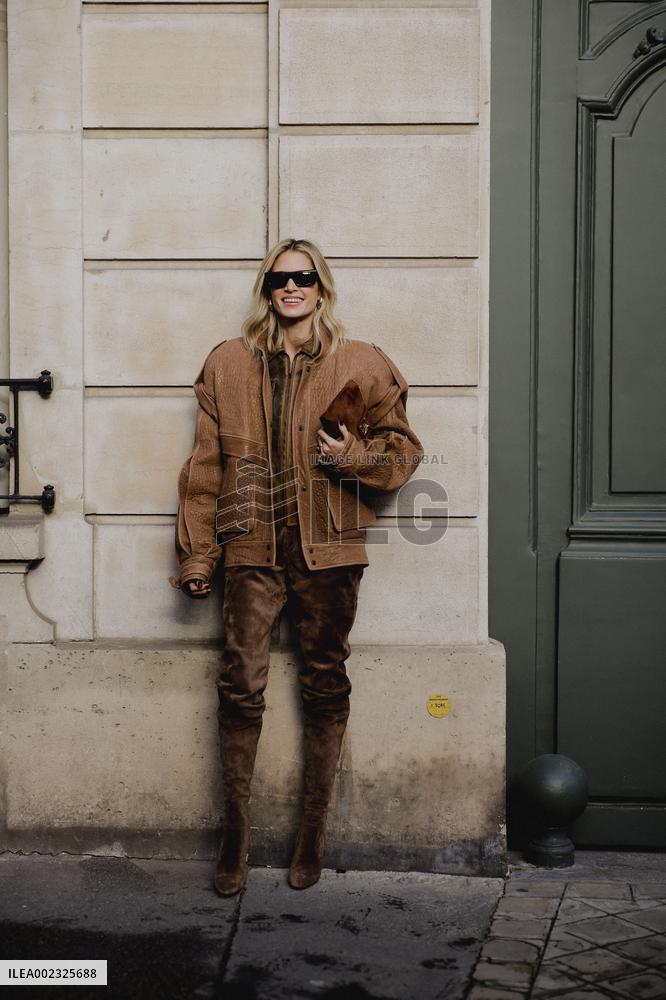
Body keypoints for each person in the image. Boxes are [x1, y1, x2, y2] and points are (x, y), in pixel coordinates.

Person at [169, 237, 424, 895]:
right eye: (280, 279)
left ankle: (311, 839)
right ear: (266, 289)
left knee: (323, 684)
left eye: (304, 278)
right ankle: (235, 844)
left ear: (321, 287)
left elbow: (401, 457)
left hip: (328, 553)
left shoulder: (360, 362)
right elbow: (204, 469)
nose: (292, 287)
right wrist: (200, 554)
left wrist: (351, 460)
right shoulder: (228, 363)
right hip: (250, 552)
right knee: (238, 685)